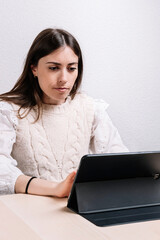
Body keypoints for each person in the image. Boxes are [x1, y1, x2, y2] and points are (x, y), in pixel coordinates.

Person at [0, 28, 128, 197]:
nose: (64, 78)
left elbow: (121, 162)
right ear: (34, 69)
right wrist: (55, 189)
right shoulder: (9, 111)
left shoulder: (91, 109)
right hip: (27, 213)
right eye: (54, 68)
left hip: (77, 211)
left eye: (71, 68)